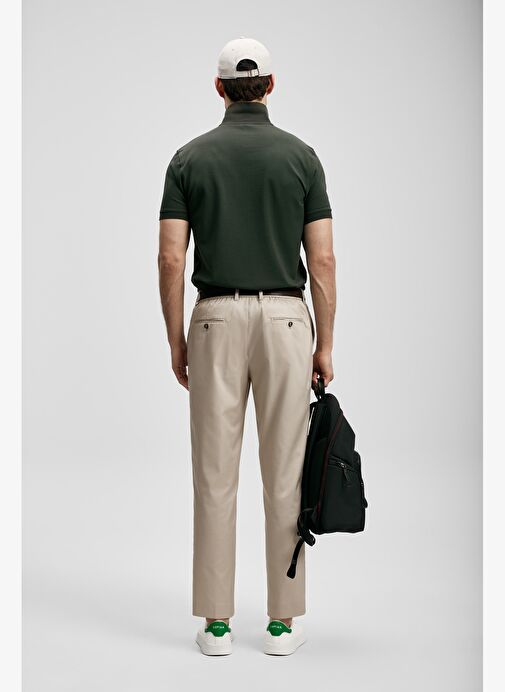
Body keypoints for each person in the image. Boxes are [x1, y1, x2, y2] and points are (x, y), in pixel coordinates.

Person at [158, 36, 336, 656]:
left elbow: (171, 258)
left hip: (214, 320)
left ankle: (216, 626)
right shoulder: (302, 158)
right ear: (270, 85)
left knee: (214, 476)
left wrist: (177, 339)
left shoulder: (188, 159)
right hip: (287, 321)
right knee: (286, 474)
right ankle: (282, 624)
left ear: (219, 88)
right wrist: (325, 344)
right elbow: (322, 260)